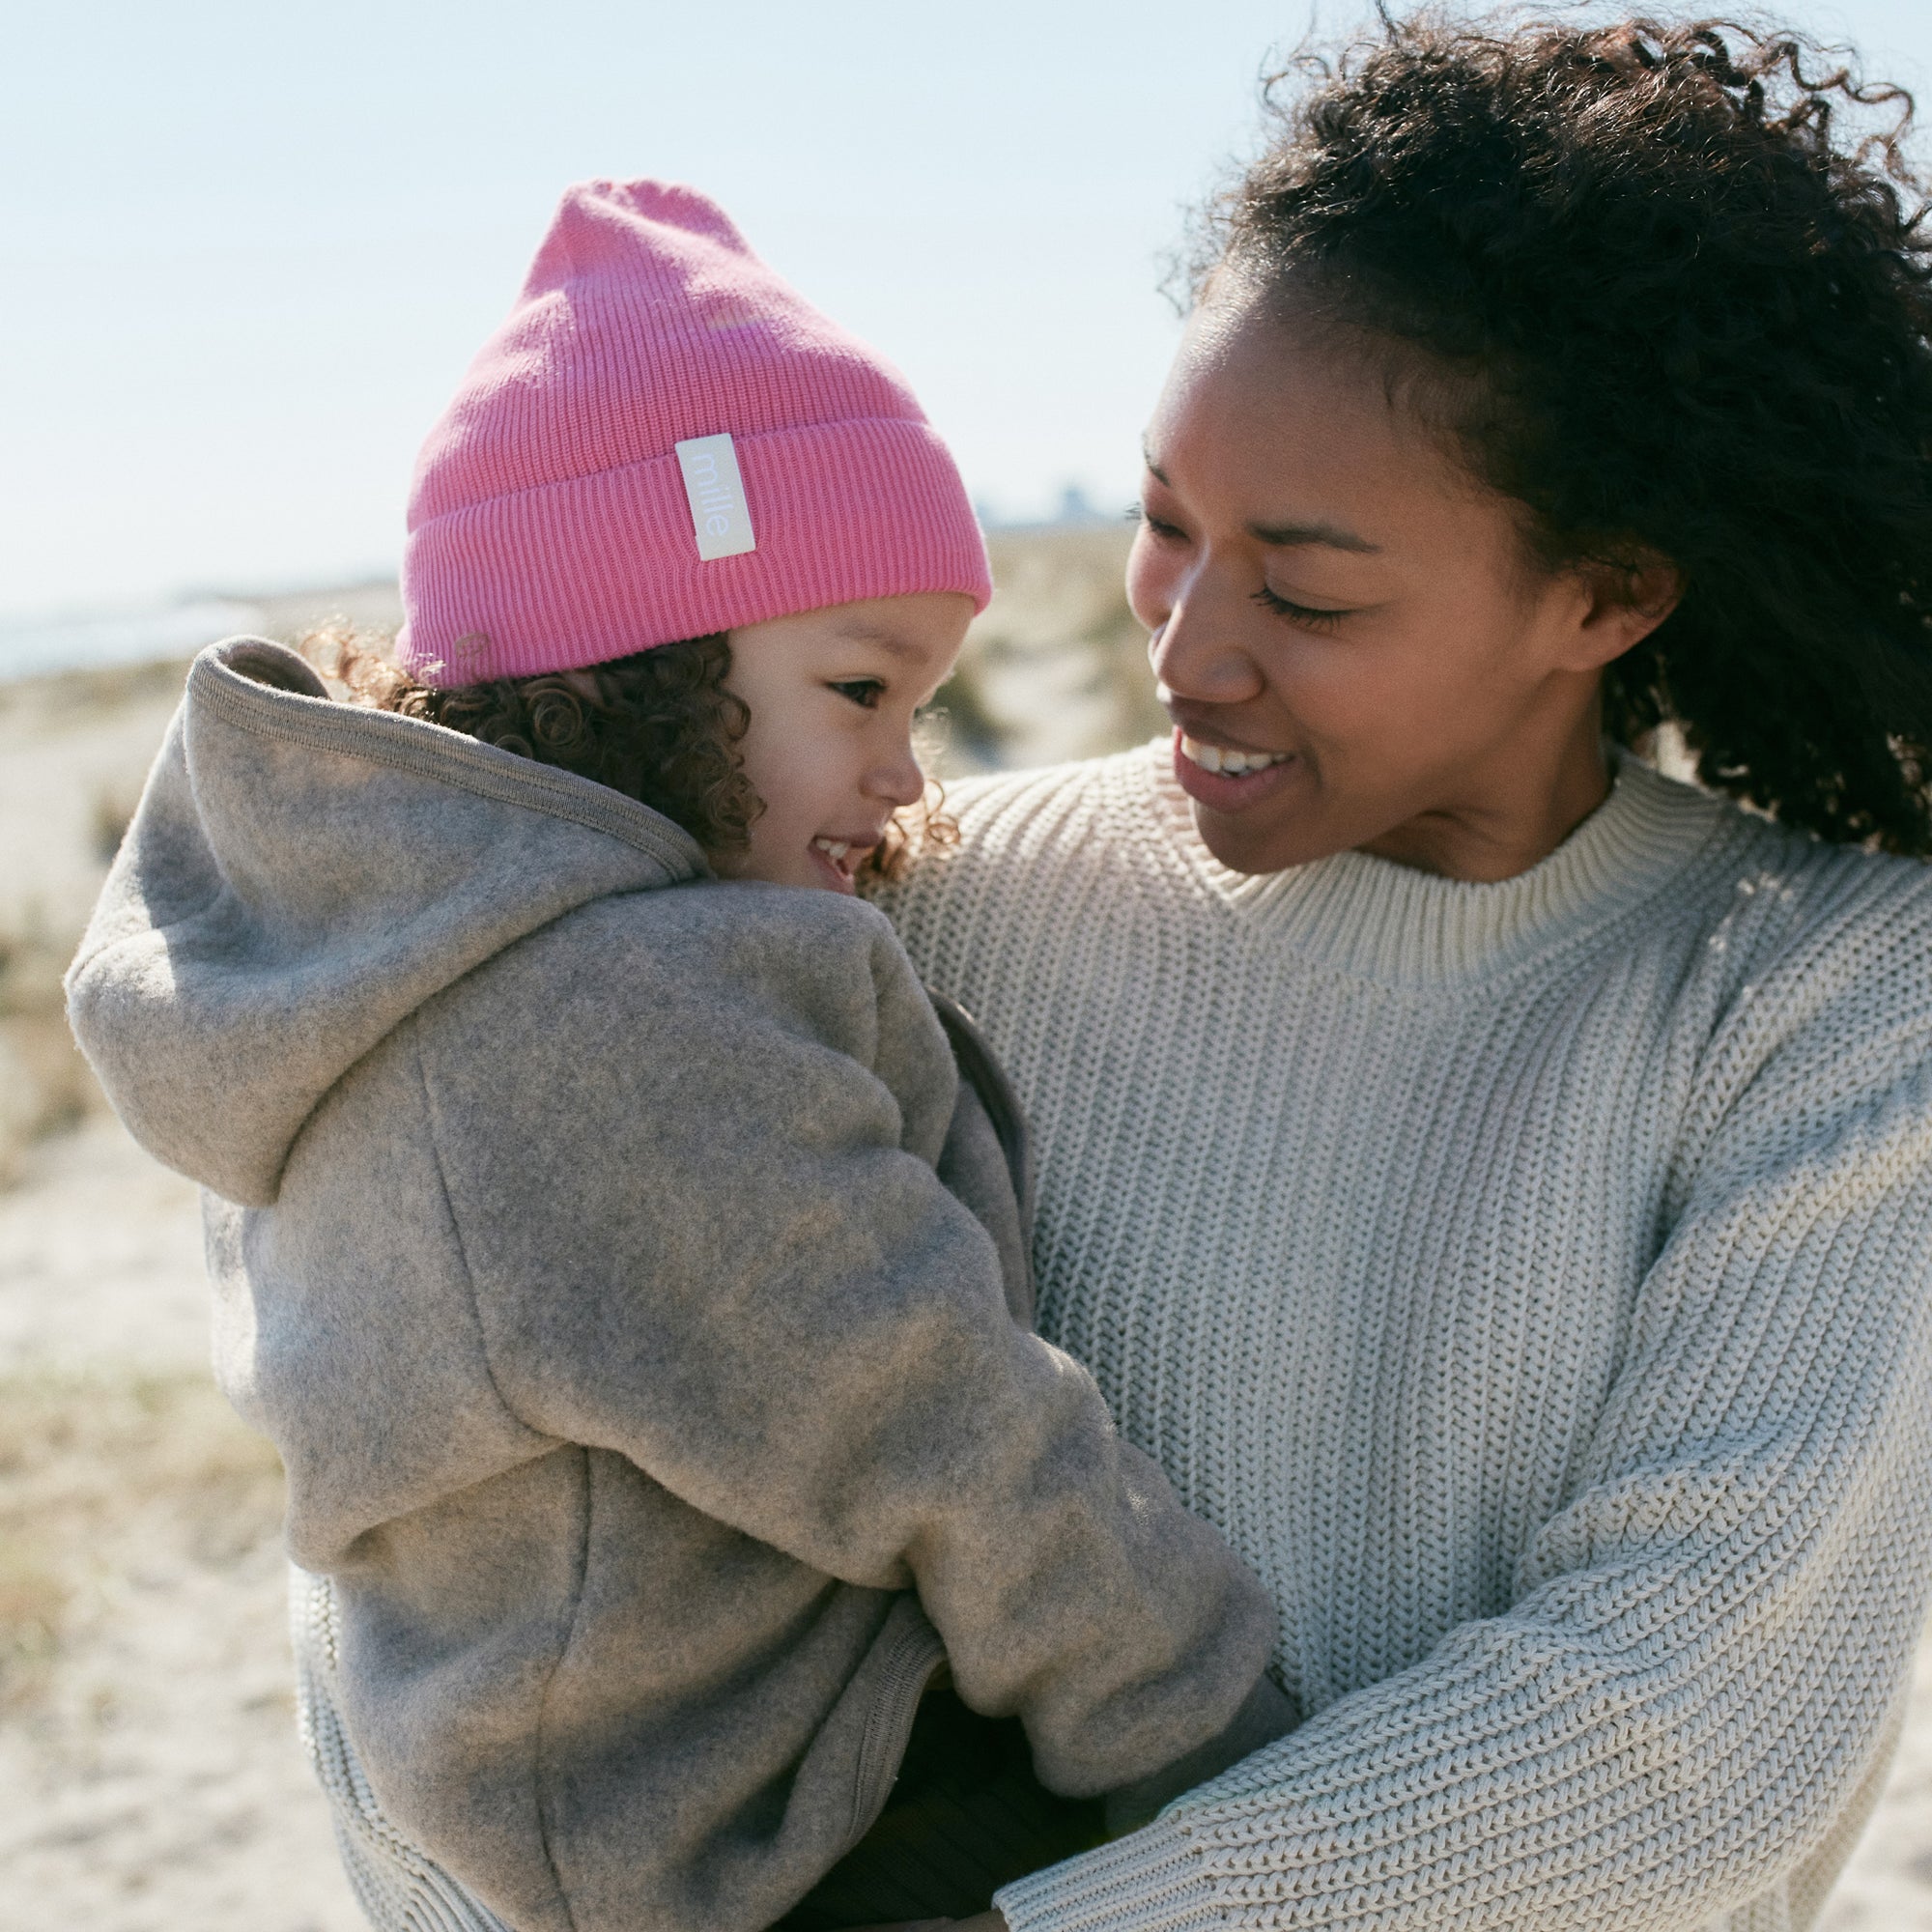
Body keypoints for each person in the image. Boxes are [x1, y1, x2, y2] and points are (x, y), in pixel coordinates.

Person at [63, 181, 1293, 1932]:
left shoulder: (373, 954)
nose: (905, 777)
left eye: (926, 706)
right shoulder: (616, 1031)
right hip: (786, 1833)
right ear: (643, 663)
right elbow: (946, 1430)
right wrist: (1222, 1746)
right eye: (860, 692)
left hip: (540, 1785)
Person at [875, 15, 1932, 1931]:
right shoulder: (942, 905)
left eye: (1308, 588)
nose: (1187, 647)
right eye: (1161, 522)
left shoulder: (1822, 991)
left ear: (1603, 595)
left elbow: (1681, 1724)